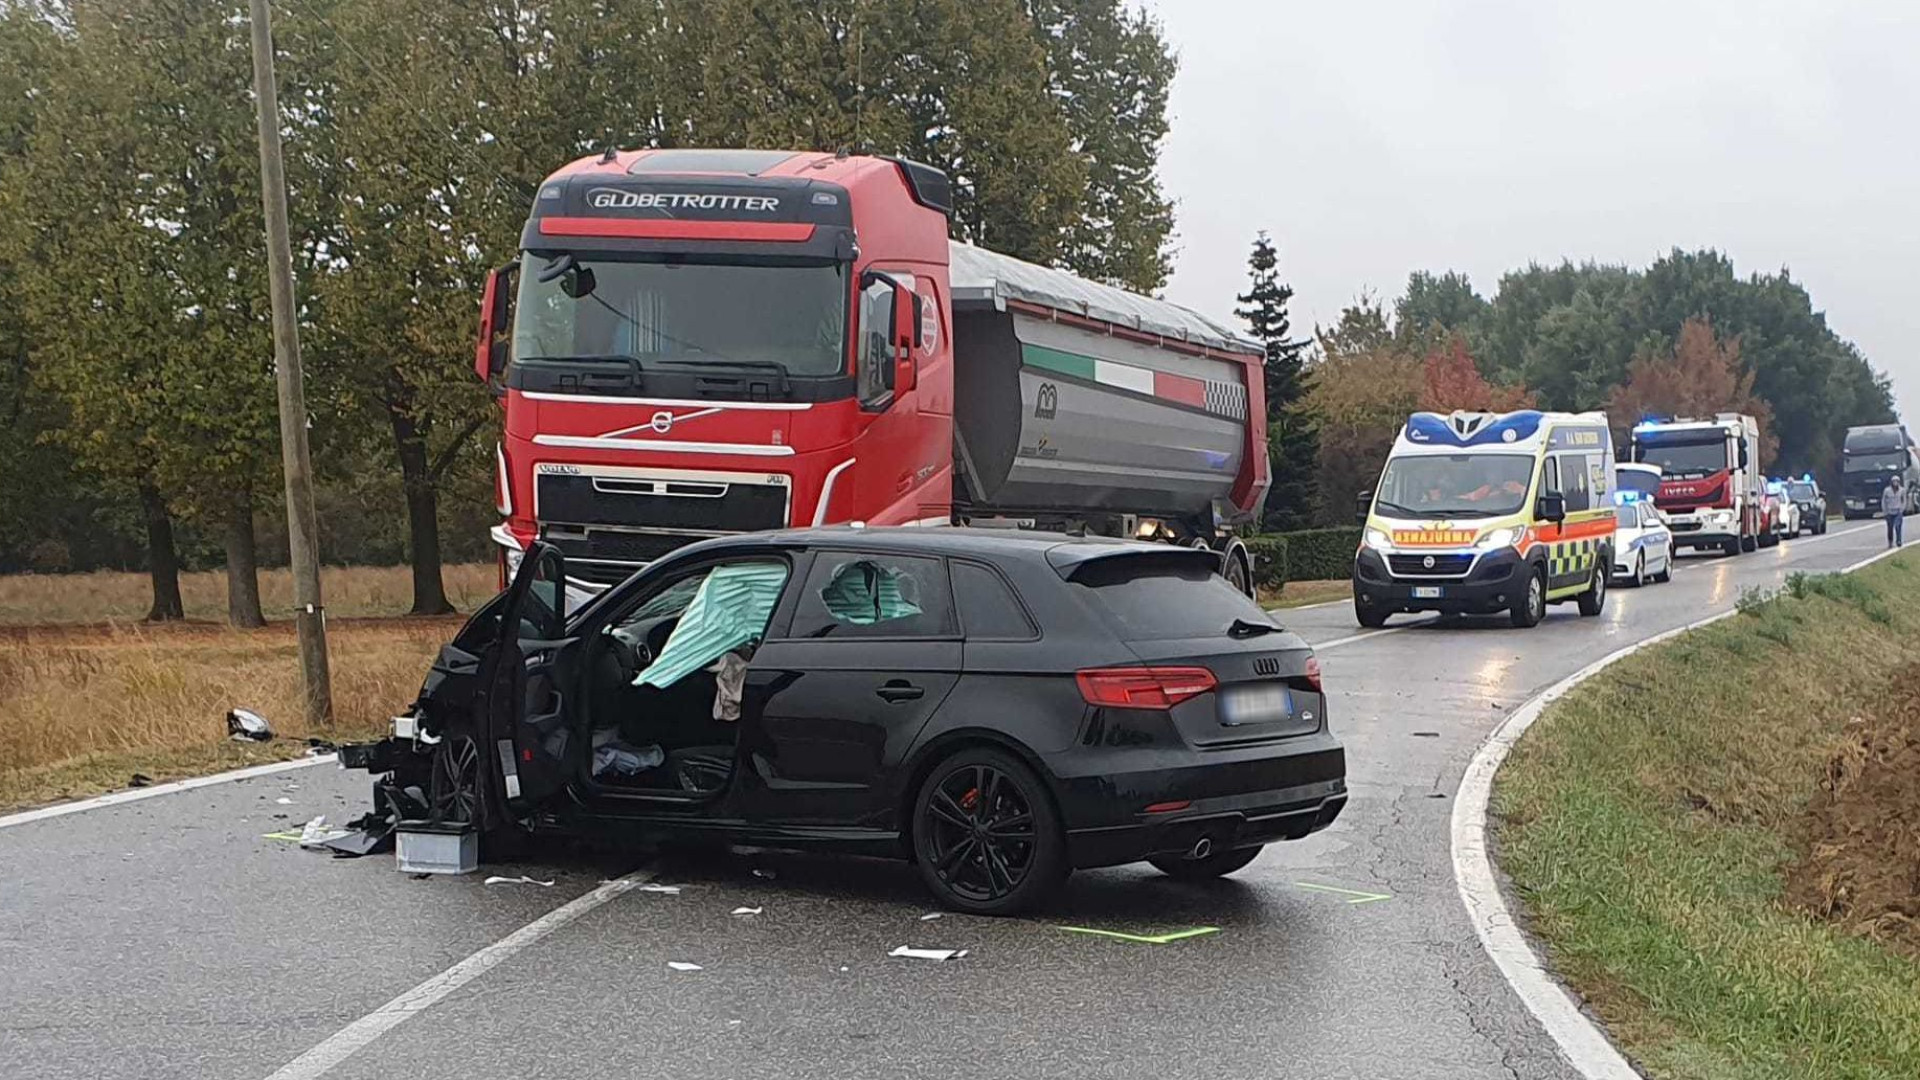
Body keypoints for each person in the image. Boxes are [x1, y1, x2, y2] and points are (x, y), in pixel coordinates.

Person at [1882, 474, 1905, 549]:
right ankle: (1890, 541)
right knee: (1890, 528)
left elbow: (1904, 500)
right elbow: (1884, 501)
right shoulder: (1887, 490)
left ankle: (1899, 541)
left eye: (1897, 481)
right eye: (1894, 481)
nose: (1895, 483)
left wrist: (1902, 509)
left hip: (1898, 511)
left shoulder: (1902, 490)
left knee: (1898, 526)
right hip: (1889, 511)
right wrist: (1885, 511)